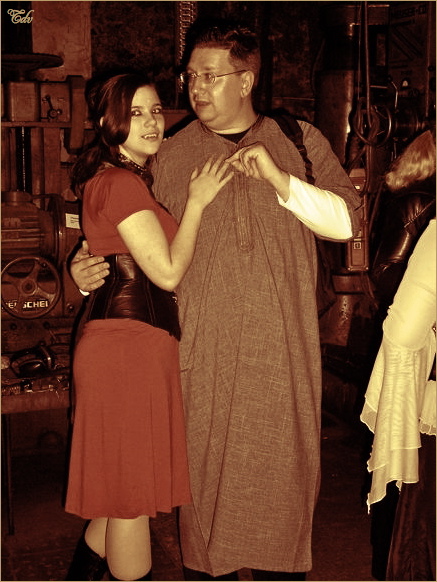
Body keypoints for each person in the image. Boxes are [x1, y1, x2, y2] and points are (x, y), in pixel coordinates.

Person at [70, 19, 362, 581]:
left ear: (246, 80)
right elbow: (125, 236)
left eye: (210, 76)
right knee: (204, 501)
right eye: (191, 76)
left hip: (283, 357)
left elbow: (347, 222)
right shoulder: (167, 154)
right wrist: (86, 275)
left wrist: (280, 179)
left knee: (282, 493)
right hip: (200, 359)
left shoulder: (299, 138)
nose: (196, 87)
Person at [64, 72, 233, 582]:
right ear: (106, 122)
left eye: (156, 110)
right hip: (127, 350)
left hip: (128, 345)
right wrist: (198, 201)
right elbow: (167, 272)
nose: (151, 121)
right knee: (131, 501)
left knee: (118, 499)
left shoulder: (120, 180)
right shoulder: (120, 183)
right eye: (135, 112)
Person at [361, 128, 436, 581]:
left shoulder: (418, 198)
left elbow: (386, 275)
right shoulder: (420, 200)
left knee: (409, 479)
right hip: (418, 339)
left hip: (416, 343)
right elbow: (386, 270)